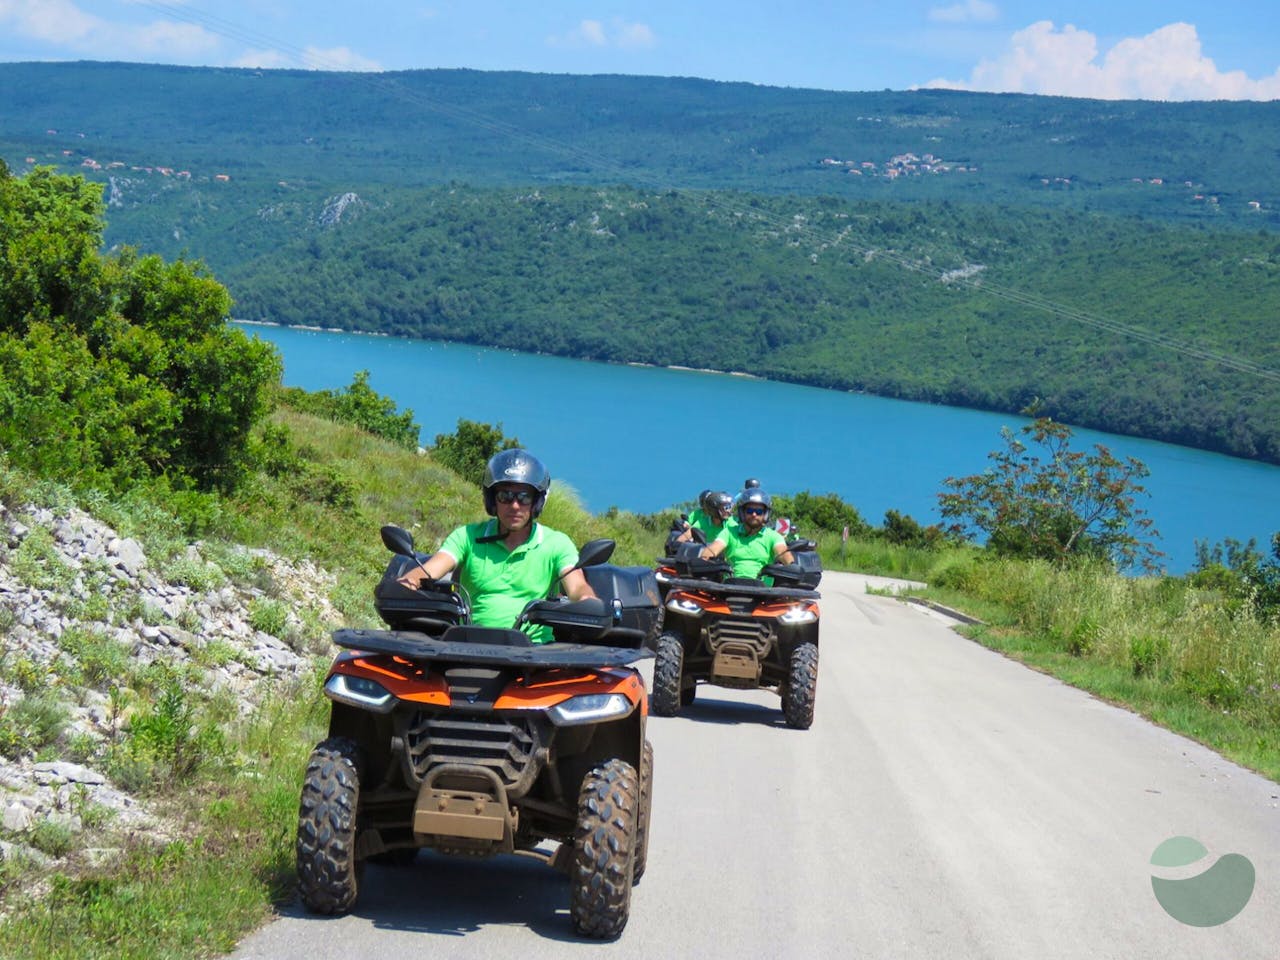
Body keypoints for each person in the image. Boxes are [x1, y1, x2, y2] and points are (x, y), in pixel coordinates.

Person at [396, 448, 597, 643]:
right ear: (492, 499)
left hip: (534, 651)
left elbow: (577, 586)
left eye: (524, 497)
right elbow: (429, 570)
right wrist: (407, 584)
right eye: (505, 496)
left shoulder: (556, 543)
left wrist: (588, 601)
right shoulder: (467, 536)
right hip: (468, 646)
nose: (515, 506)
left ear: (537, 502)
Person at [700, 487, 794, 580]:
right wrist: (703, 559)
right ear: (742, 512)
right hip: (730, 586)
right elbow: (713, 548)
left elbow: (782, 552)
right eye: (749, 510)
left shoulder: (773, 536)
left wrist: (791, 566)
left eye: (759, 511)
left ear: (765, 514)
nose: (754, 514)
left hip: (763, 588)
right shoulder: (729, 532)